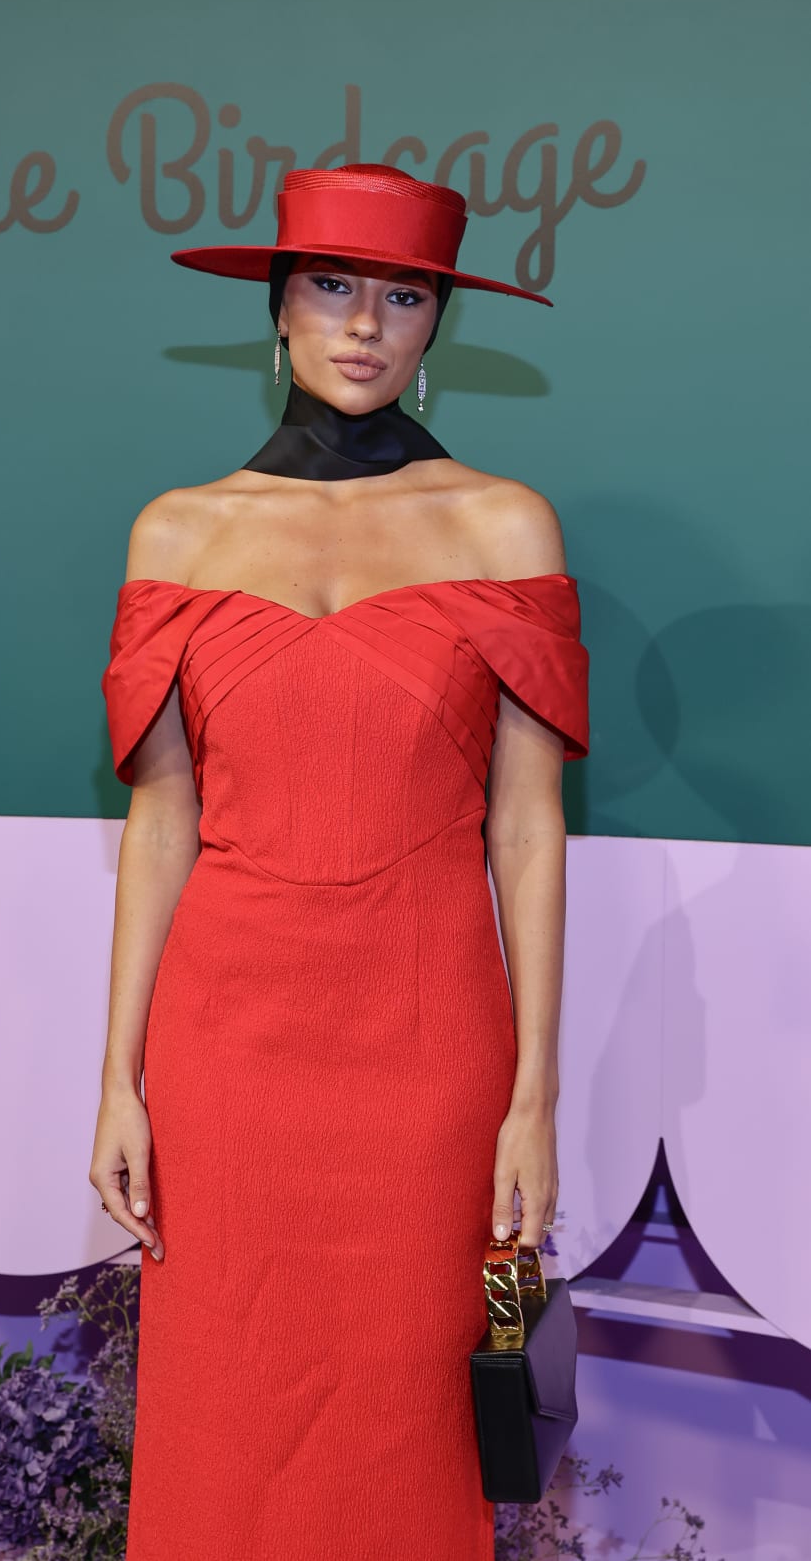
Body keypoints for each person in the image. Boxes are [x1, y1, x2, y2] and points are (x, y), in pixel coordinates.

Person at [91, 163, 590, 1561]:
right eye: (332, 287)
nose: (364, 325)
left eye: (403, 296)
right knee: (226, 1410)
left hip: (425, 1041)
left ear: (436, 323)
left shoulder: (503, 525)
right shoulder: (177, 532)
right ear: (278, 307)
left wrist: (530, 1097)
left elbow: (523, 829)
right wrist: (118, 1078)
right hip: (228, 1046)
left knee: (402, 1424)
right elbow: (160, 822)